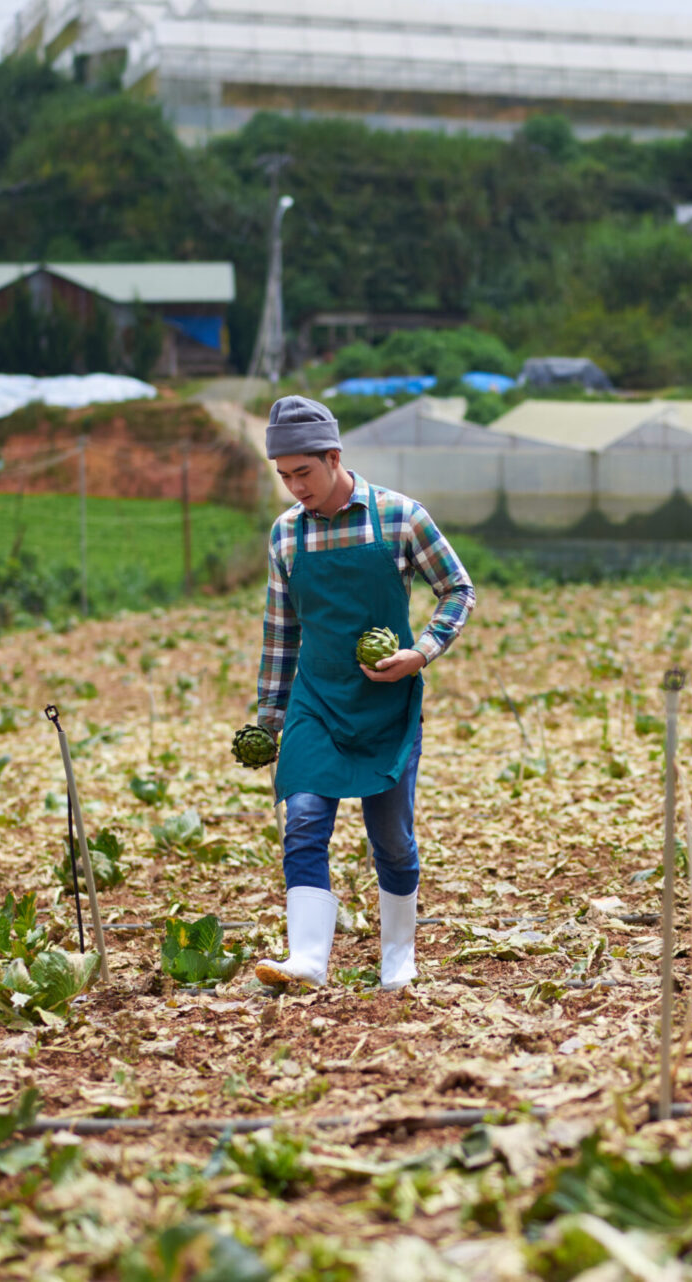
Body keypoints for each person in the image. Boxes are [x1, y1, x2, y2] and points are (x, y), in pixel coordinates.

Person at [248, 395, 475, 991]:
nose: (295, 487)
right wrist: (268, 719)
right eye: (284, 476)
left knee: (391, 837)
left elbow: (457, 589)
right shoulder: (287, 536)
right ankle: (308, 960)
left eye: (304, 472)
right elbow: (281, 630)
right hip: (315, 702)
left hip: (386, 705)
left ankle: (398, 954)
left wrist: (421, 652)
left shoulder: (400, 517)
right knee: (301, 819)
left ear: (333, 457)